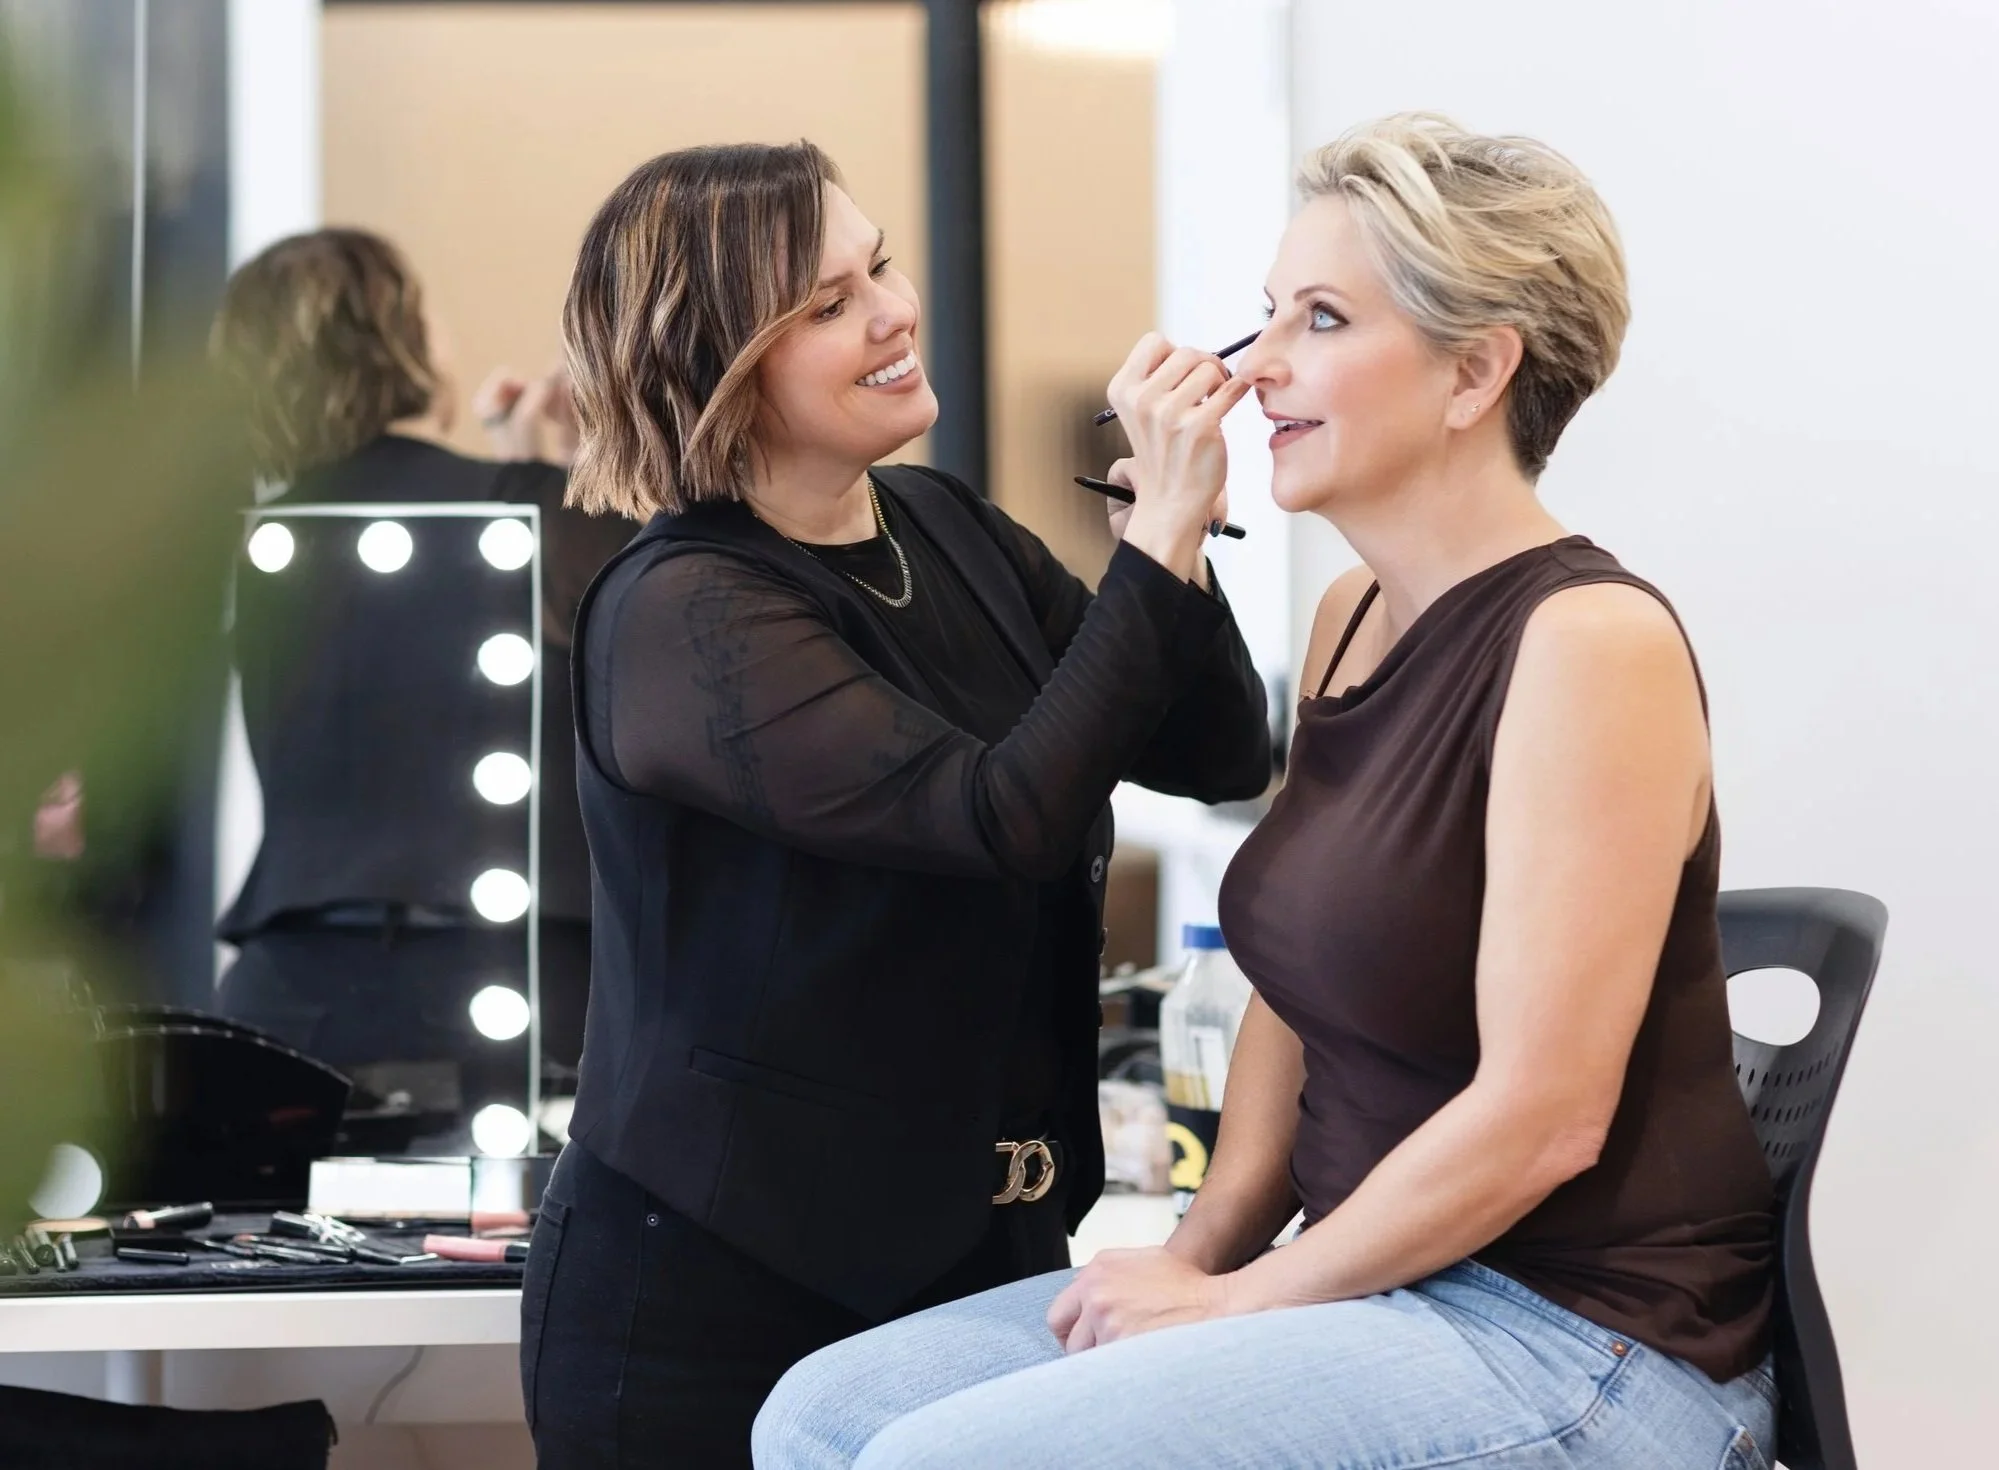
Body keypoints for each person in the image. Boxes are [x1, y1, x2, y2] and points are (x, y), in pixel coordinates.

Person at [753, 114, 1779, 1470]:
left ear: (1475, 371)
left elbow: (1542, 1116)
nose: (1255, 365)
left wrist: (1236, 1304)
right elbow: (1290, 1001)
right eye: (1269, 310)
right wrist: (1196, 1253)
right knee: (817, 1418)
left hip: (1576, 1338)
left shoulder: (1590, 644)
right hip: (1371, 1282)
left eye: (1320, 318)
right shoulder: (1356, 613)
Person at [519, 141, 1271, 1467]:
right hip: (715, 1292)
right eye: (827, 303)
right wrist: (1153, 538)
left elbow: (1218, 749)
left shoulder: (950, 532)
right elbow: (996, 821)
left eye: (879, 267)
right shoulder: (682, 612)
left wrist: (1174, 547)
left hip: (985, 1256)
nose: (892, 311)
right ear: (714, 360)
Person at [208, 228, 632, 1122]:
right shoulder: (537, 516)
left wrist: (536, 476)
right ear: (397, 334)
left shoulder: (246, 545)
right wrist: (561, 485)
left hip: (287, 1000)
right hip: (519, 996)